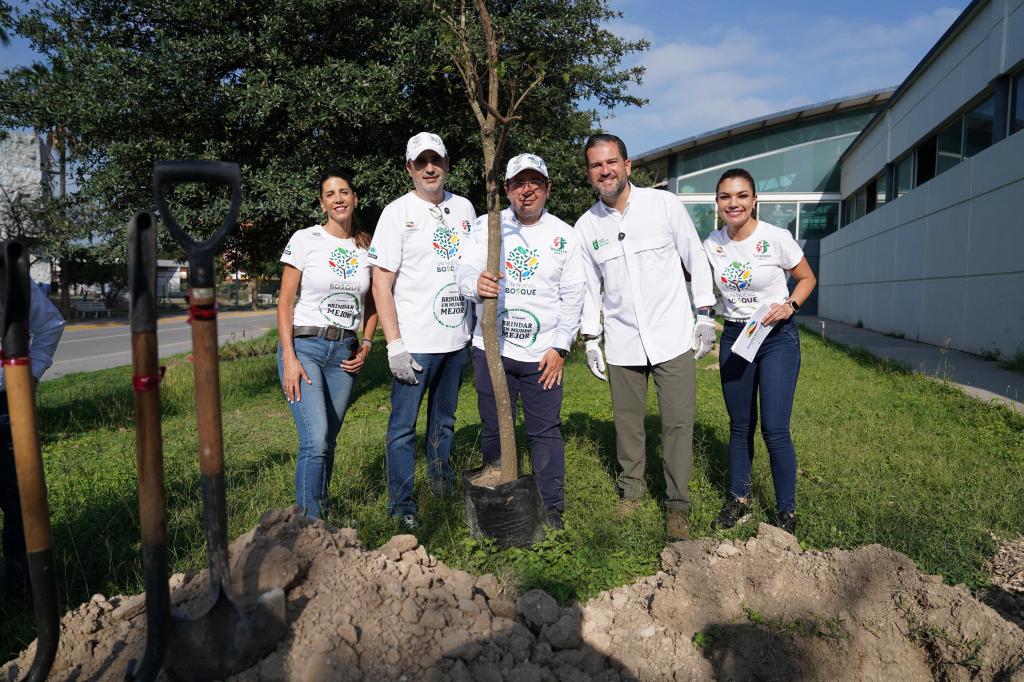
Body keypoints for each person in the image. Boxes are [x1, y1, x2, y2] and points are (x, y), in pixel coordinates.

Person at [576, 133, 717, 541]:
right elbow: (589, 287)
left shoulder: (664, 206)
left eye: (611, 162)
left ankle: (677, 505)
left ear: (627, 165)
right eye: (596, 165)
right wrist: (591, 337)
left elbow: (695, 258)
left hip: (671, 336)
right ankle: (632, 493)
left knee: (677, 423)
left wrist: (705, 314)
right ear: (589, 173)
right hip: (622, 342)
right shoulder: (586, 227)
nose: (605, 171)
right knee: (628, 425)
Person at [457, 153, 585, 530]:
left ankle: (551, 507)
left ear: (547, 188)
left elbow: (573, 296)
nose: (526, 190)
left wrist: (560, 347)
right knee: (495, 426)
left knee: (544, 430)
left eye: (535, 182)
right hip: (491, 349)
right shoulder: (488, 226)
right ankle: (501, 496)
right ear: (507, 188)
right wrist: (474, 283)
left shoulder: (564, 235)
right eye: (518, 183)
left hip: (542, 354)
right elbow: (464, 270)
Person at [370, 132, 476, 529]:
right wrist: (394, 344)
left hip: (456, 340)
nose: (430, 168)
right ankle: (402, 505)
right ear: (409, 168)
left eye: (436, 160)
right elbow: (381, 283)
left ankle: (441, 487)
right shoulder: (396, 213)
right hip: (415, 343)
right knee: (403, 429)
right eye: (421, 162)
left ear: (447, 164)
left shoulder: (464, 208)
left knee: (444, 421)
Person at [703, 168, 816, 535]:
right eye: (725, 197)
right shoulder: (711, 244)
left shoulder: (775, 237)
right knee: (740, 425)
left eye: (741, 196)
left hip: (776, 336)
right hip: (736, 335)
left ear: (754, 201)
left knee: (774, 428)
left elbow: (807, 278)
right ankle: (739, 500)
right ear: (717, 203)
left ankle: (786, 512)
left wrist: (790, 306)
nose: (733, 203)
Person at [277, 169, 378, 520]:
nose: (338, 198)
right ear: (322, 203)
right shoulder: (305, 239)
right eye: (330, 194)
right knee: (316, 437)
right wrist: (289, 357)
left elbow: (373, 304)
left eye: (344, 192)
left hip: (344, 354)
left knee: (328, 441)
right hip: (305, 347)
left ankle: (321, 512)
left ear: (355, 198)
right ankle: (308, 525)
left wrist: (367, 345)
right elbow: (285, 303)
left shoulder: (367, 247)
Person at [1, 282, 64, 597]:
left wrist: (32, 374)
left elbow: (50, 324)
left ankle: (21, 587)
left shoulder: (9, 274)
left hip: (5, 403)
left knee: (20, 498)